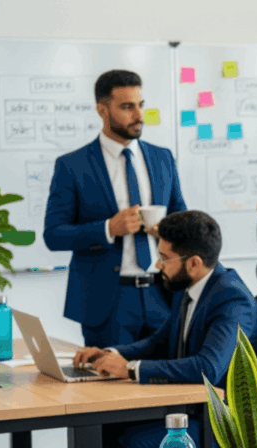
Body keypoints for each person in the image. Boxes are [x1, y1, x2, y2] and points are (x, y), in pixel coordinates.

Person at [72, 211, 257, 448]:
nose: (157, 264)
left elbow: (208, 367)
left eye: (164, 257)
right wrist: (110, 353)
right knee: (109, 432)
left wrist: (132, 369)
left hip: (222, 427)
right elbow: (157, 342)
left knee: (127, 445)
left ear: (194, 263)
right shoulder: (191, 288)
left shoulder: (231, 299)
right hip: (192, 411)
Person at [44, 69, 187, 347]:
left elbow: (181, 214)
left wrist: (168, 228)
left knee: (167, 383)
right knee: (108, 387)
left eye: (141, 104)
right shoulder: (72, 166)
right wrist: (109, 228)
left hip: (163, 294)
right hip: (108, 303)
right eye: (127, 106)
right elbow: (54, 234)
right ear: (102, 109)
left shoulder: (162, 158)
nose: (138, 114)